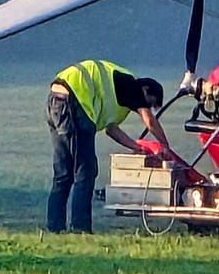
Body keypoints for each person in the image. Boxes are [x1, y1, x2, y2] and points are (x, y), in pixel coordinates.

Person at [47, 60, 171, 234]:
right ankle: (80, 228)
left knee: (63, 174)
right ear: (145, 90)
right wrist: (165, 146)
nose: (146, 108)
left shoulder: (118, 100)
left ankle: (54, 228)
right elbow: (150, 121)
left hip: (55, 99)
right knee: (86, 172)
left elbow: (111, 130)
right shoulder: (133, 85)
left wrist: (135, 146)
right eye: (149, 103)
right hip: (76, 101)